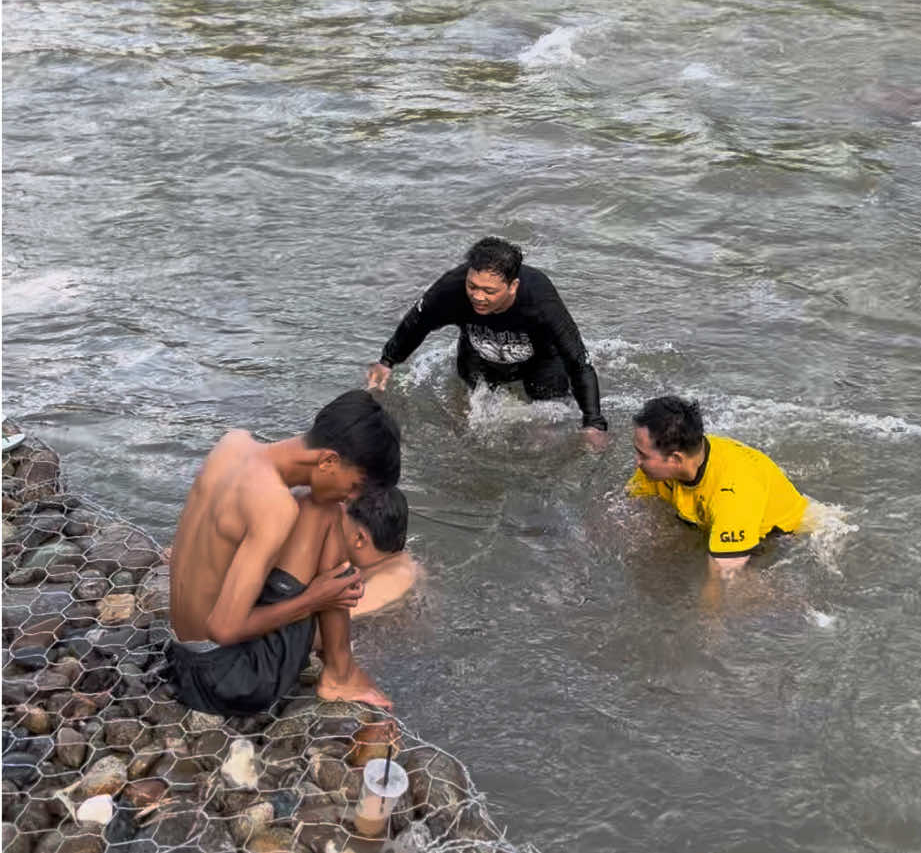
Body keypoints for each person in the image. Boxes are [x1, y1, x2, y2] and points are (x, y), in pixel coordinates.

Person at [166, 390, 400, 714]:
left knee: (316, 508)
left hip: (179, 653)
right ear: (329, 460)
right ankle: (340, 673)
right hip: (224, 680)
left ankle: (338, 667)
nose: (351, 498)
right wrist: (315, 599)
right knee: (326, 513)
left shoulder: (234, 444)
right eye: (355, 485)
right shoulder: (275, 507)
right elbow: (224, 628)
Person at [366, 236, 608, 447]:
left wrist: (594, 423)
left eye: (489, 291)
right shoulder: (451, 288)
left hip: (540, 360)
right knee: (467, 427)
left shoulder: (541, 300)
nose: (478, 297)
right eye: (472, 286)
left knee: (543, 433)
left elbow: (578, 360)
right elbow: (417, 322)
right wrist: (388, 360)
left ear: (513, 286)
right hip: (478, 354)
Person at [627, 395, 807, 578]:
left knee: (746, 591)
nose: (637, 462)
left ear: (676, 459)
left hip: (779, 539)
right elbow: (630, 510)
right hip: (706, 521)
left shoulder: (733, 492)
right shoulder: (657, 467)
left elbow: (721, 583)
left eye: (643, 455)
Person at [342, 486, 421, 617]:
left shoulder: (390, 581)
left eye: (337, 522)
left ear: (359, 538)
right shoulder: (398, 560)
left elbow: (333, 622)